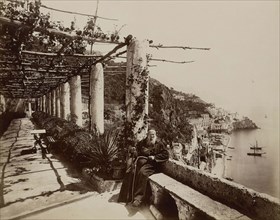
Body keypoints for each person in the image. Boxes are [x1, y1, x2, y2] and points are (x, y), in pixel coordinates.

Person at [118, 129, 169, 207]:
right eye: (150, 135)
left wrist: (154, 157)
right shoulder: (142, 142)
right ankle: (125, 197)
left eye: (153, 135)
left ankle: (138, 198)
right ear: (147, 135)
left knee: (143, 173)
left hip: (151, 165)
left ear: (155, 135)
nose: (151, 137)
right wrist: (134, 151)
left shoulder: (159, 144)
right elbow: (137, 152)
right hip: (139, 163)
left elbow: (166, 155)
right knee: (130, 172)